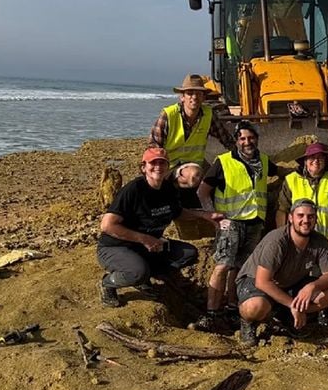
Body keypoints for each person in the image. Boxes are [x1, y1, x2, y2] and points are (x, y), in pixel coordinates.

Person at [96, 147, 222, 307]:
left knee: (187, 254)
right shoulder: (134, 190)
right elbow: (107, 225)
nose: (158, 167)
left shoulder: (168, 188)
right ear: (143, 167)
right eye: (153, 163)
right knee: (137, 272)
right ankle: (107, 283)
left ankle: (144, 277)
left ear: (168, 167)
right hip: (115, 247)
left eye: (162, 163)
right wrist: (144, 239)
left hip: (146, 246)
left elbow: (177, 212)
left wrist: (205, 215)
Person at [195, 120, 279, 331]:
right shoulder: (223, 162)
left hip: (254, 224)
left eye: (250, 138)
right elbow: (202, 191)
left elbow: (279, 172)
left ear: (257, 139)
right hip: (230, 223)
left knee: (241, 268)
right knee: (223, 266)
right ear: (236, 141)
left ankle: (233, 307)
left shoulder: (263, 161)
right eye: (242, 138)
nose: (247, 142)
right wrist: (213, 215)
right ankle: (212, 313)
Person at [236, 198, 328, 346]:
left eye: (310, 216)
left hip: (290, 283)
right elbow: (262, 281)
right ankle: (249, 323)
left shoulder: (320, 241)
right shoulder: (277, 241)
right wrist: (293, 305)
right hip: (256, 283)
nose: (306, 221)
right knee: (255, 306)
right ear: (290, 218)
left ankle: (288, 318)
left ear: (316, 219)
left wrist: (312, 286)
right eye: (300, 216)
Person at [149, 74, 234, 168]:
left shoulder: (208, 115)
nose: (194, 97)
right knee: (193, 173)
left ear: (203, 97)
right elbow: (154, 147)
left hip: (196, 165)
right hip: (170, 166)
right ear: (182, 97)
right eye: (190, 93)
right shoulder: (169, 115)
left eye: (198, 94)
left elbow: (226, 139)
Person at [275, 142, 328, 249]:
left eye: (320, 157)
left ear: (326, 160)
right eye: (312, 157)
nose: (316, 161)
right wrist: (284, 238)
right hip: (297, 244)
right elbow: (282, 210)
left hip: (326, 243)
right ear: (305, 161)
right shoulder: (292, 180)